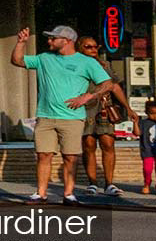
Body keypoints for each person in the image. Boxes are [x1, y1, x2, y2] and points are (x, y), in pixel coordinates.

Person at [11, 24, 113, 204]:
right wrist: (21, 42)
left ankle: (68, 194)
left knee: (70, 157)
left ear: (66, 41)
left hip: (72, 118)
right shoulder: (44, 58)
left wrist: (88, 96)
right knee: (43, 155)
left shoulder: (86, 62)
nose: (49, 41)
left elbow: (107, 84)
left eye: (53, 38)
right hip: (46, 116)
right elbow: (17, 61)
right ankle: (40, 193)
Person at [76, 33, 130, 196]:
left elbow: (114, 86)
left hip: (104, 107)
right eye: (88, 47)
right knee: (89, 145)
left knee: (108, 143)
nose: (93, 50)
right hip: (84, 108)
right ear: (80, 48)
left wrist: (127, 107)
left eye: (95, 47)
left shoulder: (104, 64)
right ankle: (92, 183)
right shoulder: (76, 64)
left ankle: (109, 183)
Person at [139, 99, 156, 196]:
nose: (155, 116)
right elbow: (137, 133)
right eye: (152, 113)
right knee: (147, 169)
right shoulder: (143, 123)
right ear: (146, 113)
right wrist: (135, 122)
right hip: (147, 151)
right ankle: (147, 184)